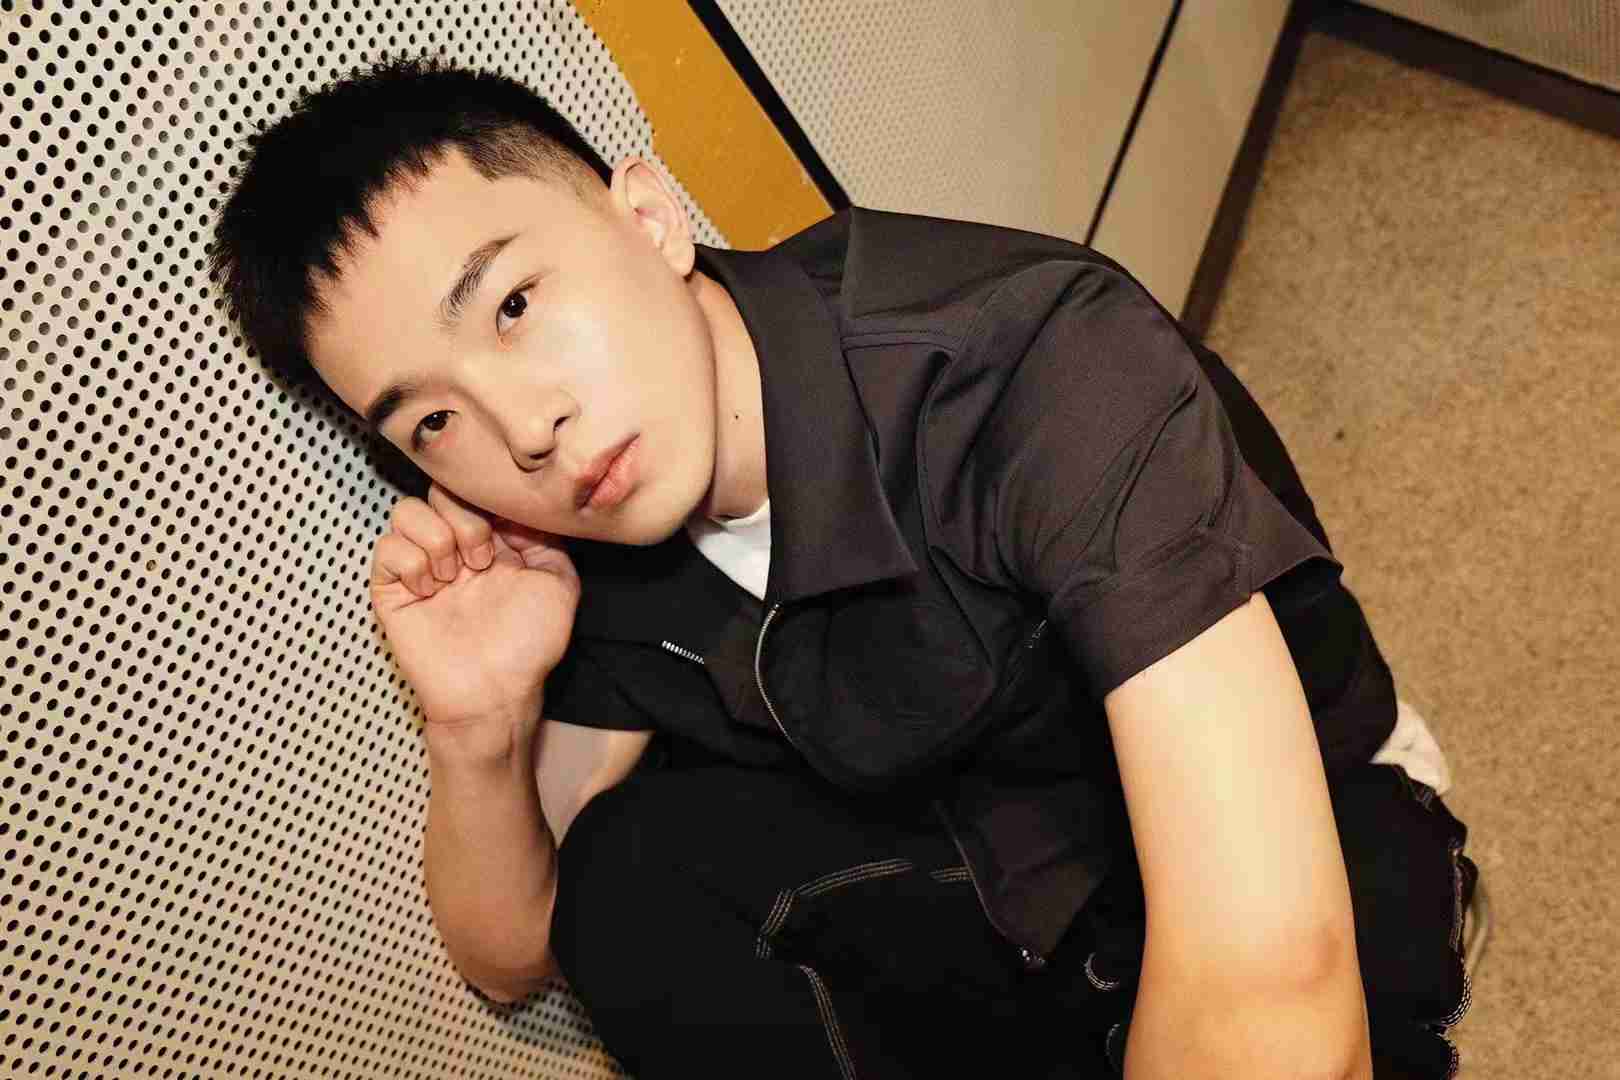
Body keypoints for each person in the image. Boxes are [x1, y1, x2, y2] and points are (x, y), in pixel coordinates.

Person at [207, 54, 1476, 1079]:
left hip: (1294, 821)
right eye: (432, 419)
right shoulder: (585, 519)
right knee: (624, 884)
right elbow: (516, 950)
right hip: (989, 850)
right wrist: (477, 728)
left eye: (514, 306)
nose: (521, 429)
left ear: (647, 218)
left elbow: (1275, 992)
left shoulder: (1028, 364)